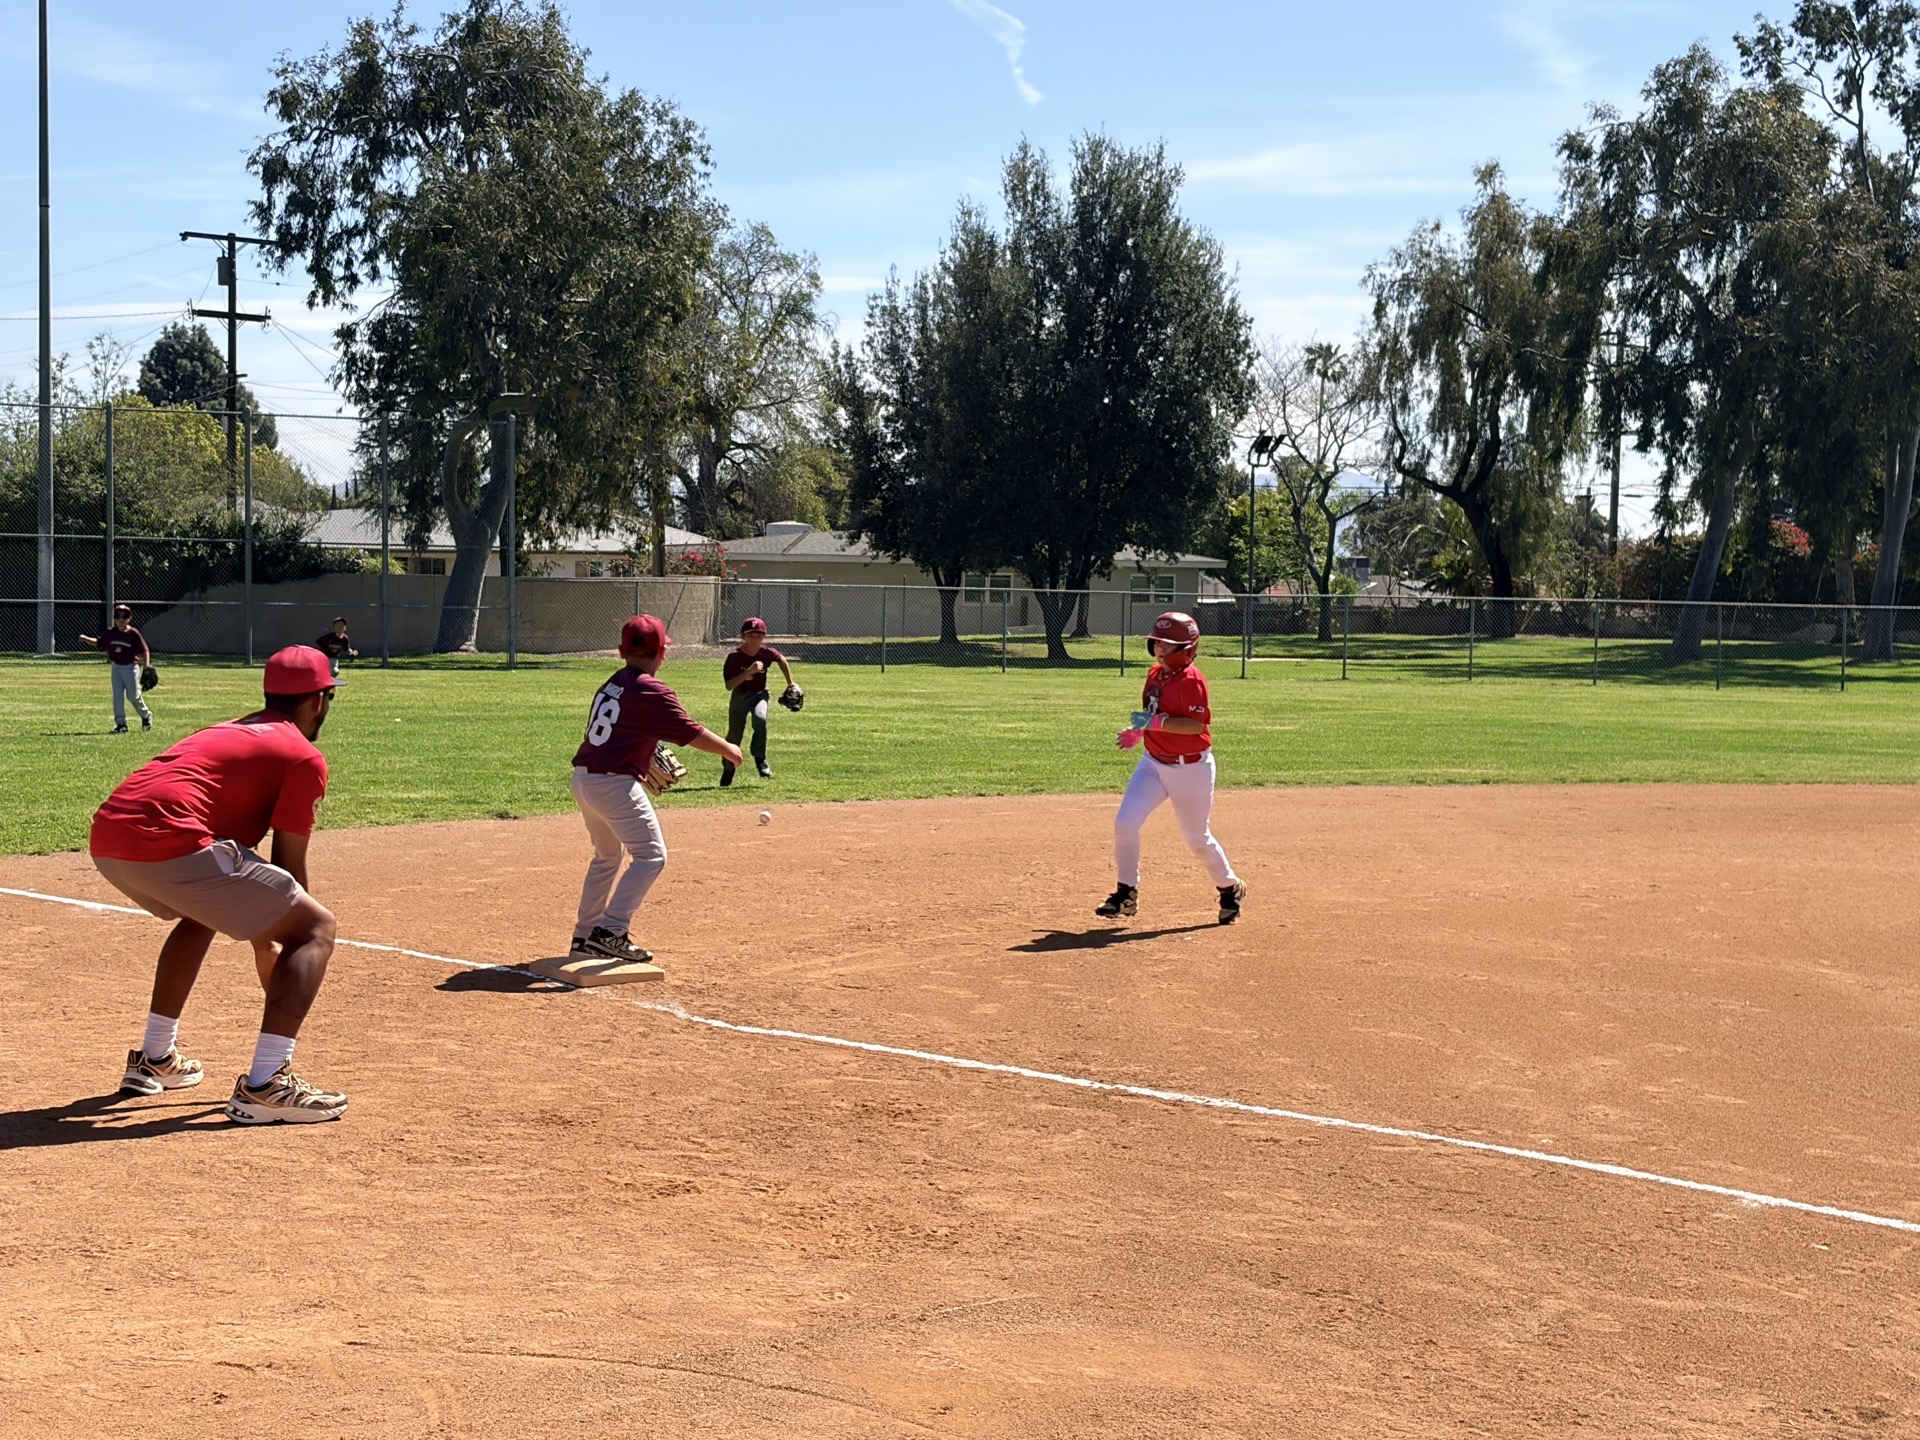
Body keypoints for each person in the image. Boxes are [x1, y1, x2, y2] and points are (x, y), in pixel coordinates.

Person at [89, 646, 347, 1124]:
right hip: (169, 839)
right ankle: (267, 1085)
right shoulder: (302, 756)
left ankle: (156, 1058)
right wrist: (282, 935)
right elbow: (290, 870)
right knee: (316, 928)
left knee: (202, 910)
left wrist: (264, 932)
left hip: (109, 835)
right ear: (318, 700)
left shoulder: (231, 728)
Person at [570, 614, 742, 968]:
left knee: (606, 858)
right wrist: (729, 749)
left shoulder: (614, 682)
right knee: (651, 856)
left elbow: (623, 729)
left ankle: (586, 936)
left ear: (621, 651)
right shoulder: (651, 688)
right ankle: (611, 932)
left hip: (586, 779)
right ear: (663, 651)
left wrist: (640, 755)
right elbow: (690, 732)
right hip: (614, 784)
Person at [1096, 611, 1247, 926]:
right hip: (1153, 763)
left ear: (1188, 649)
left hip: (1191, 769)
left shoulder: (1193, 681)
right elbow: (1150, 713)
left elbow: (1194, 726)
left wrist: (1152, 723)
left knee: (1196, 839)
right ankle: (1126, 893)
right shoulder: (1155, 675)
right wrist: (1138, 731)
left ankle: (1230, 887)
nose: (1160, 649)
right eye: (1157, 643)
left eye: (1169, 644)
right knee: (1125, 822)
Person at [719, 617, 797, 784]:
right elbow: (729, 685)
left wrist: (791, 683)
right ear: (743, 637)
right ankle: (728, 768)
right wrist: (748, 672)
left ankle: (760, 758)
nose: (755, 639)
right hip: (740, 694)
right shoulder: (734, 657)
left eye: (759, 636)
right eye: (751, 635)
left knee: (760, 719)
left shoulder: (767, 653)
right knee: (734, 735)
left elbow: (781, 659)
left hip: (760, 693)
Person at [78, 604, 152, 733]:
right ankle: (121, 725)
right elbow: (99, 643)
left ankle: (146, 716)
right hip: (116, 668)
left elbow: (144, 650)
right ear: (114, 619)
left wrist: (146, 666)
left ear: (129, 619)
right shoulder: (111, 633)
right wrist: (85, 639)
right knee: (117, 697)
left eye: (124, 617)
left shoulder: (133, 634)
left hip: (131, 668)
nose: (121, 619)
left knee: (133, 696)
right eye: (118, 617)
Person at [313, 617, 358, 682]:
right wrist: (318, 654)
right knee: (333, 671)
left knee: (334, 672)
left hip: (334, 659)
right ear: (334, 627)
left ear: (345, 628)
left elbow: (347, 648)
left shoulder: (345, 638)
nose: (340, 627)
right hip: (325, 658)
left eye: (342, 625)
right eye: (338, 625)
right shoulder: (329, 637)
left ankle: (328, 681)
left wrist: (352, 652)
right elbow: (317, 643)